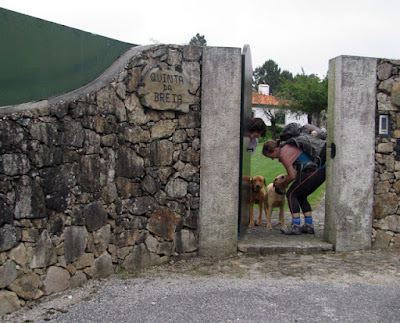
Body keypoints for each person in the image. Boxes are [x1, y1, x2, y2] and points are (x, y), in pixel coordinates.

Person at [262, 139, 326, 235]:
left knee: (291, 194)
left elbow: (291, 176)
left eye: (270, 156)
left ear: (275, 150)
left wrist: (282, 184)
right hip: (321, 170)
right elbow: (296, 172)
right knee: (301, 195)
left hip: (313, 171)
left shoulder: (283, 154)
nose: (272, 159)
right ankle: (309, 226)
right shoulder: (288, 148)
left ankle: (295, 226)